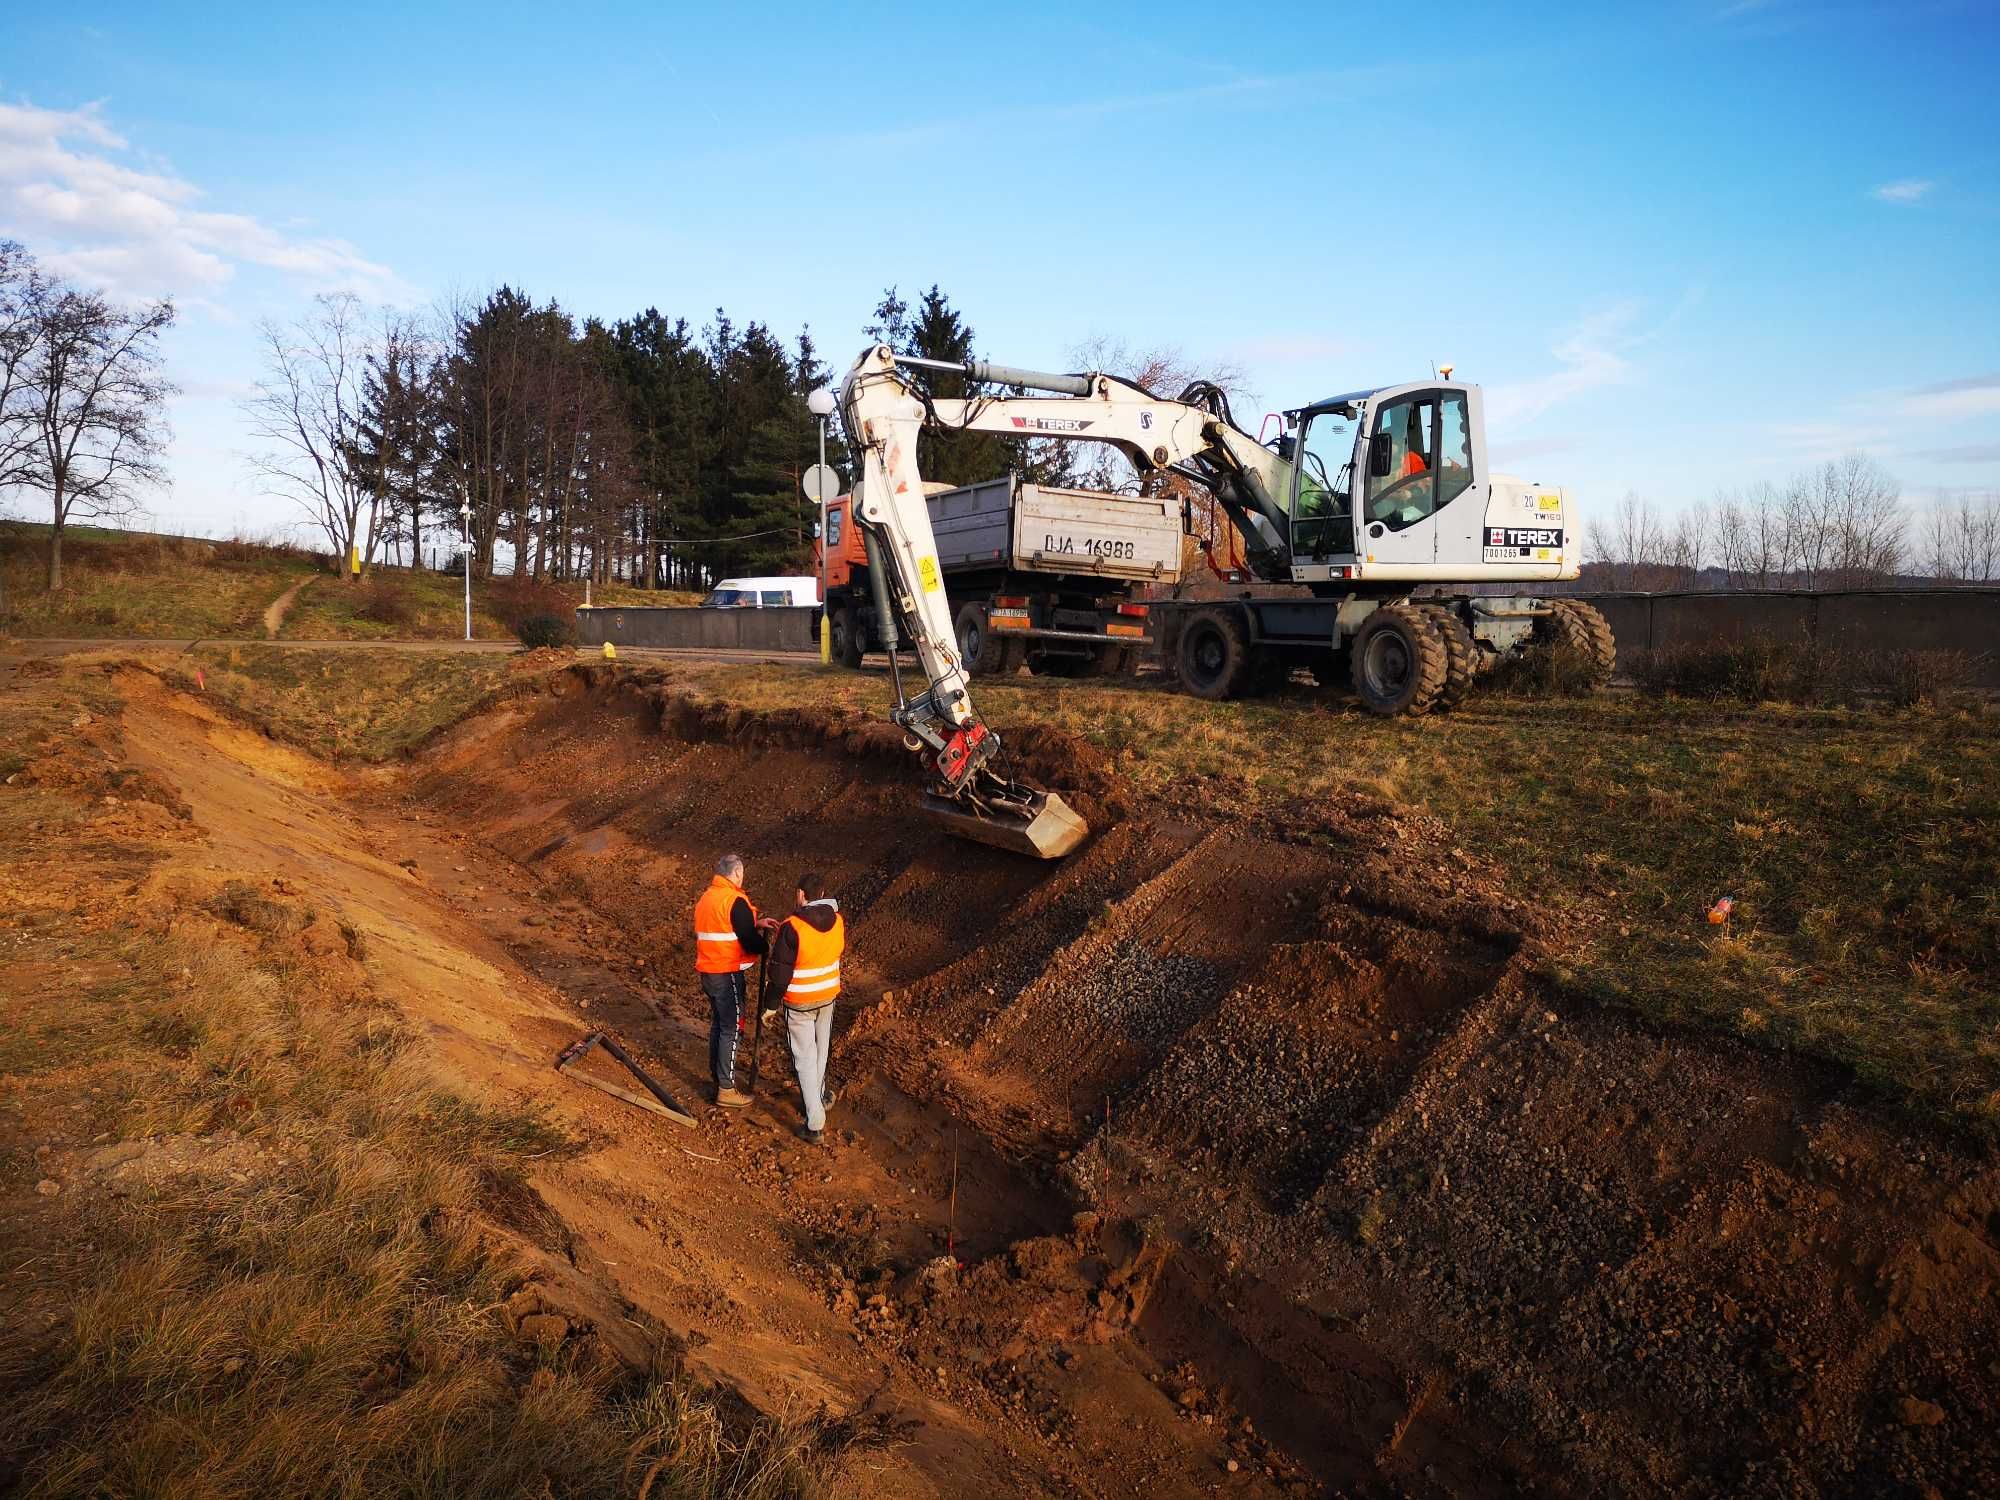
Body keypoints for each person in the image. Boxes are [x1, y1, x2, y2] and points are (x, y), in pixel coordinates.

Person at [763, 871, 845, 1144]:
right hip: (828, 998)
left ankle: (814, 1122)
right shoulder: (838, 922)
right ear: (822, 894)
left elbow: (779, 973)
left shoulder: (792, 927)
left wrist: (770, 1005)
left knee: (805, 1059)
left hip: (800, 1003)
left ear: (801, 895)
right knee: (821, 1052)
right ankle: (819, 1095)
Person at [692, 853, 773, 1107]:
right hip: (726, 973)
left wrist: (754, 923)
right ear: (736, 873)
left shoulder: (708, 897)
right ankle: (726, 1089)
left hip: (709, 970)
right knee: (731, 1028)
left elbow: (725, 925)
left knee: (719, 1024)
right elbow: (748, 940)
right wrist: (765, 945)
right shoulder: (735, 900)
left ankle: (718, 1077)